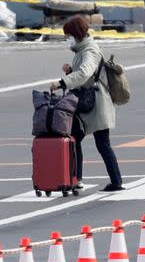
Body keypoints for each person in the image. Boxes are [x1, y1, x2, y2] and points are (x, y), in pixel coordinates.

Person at [50, 16, 123, 193]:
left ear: (76, 34)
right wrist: (70, 70)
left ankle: (113, 181)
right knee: (76, 139)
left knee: (100, 143)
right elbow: (84, 73)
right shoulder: (82, 50)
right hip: (90, 103)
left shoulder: (89, 51)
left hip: (96, 104)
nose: (68, 38)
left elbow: (84, 74)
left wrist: (62, 82)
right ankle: (79, 179)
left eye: (69, 35)